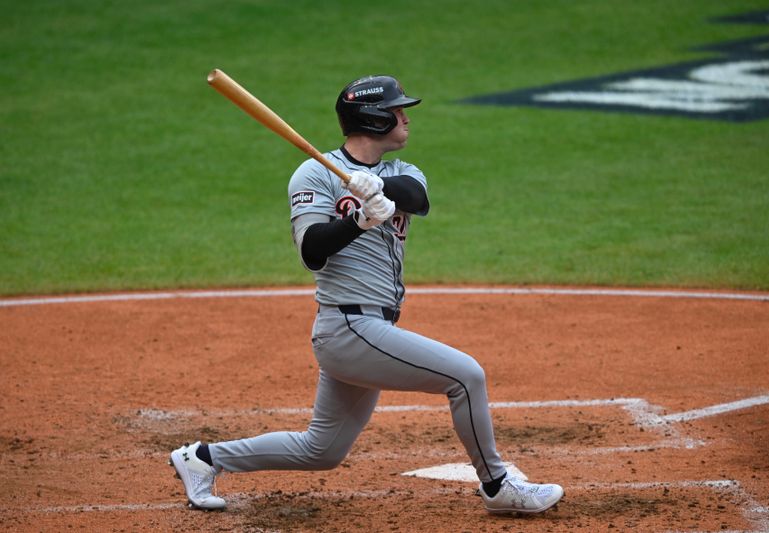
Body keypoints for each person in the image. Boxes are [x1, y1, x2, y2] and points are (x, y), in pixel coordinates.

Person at [169, 75, 564, 515]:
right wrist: (357, 219)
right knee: (466, 377)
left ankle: (202, 458)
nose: (406, 117)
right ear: (374, 119)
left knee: (322, 450)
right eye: (397, 111)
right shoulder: (315, 173)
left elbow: (418, 197)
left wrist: (377, 188)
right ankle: (497, 484)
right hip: (349, 327)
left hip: (370, 327)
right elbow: (312, 252)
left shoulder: (402, 172)